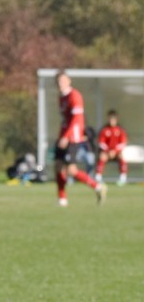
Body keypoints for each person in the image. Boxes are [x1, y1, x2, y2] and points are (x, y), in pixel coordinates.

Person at [54, 71, 106, 207]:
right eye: (58, 81)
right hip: (64, 136)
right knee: (58, 166)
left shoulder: (75, 96)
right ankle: (62, 198)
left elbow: (77, 119)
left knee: (71, 170)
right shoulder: (61, 97)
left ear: (69, 81)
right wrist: (61, 135)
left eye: (63, 81)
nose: (60, 84)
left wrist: (66, 137)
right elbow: (65, 120)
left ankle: (97, 186)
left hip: (73, 138)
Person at [96, 110, 128, 186]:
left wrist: (115, 151)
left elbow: (123, 143)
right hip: (107, 152)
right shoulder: (104, 129)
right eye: (110, 119)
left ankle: (123, 178)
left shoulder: (120, 130)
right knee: (102, 156)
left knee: (122, 156)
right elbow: (101, 143)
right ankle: (98, 178)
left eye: (113, 119)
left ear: (116, 120)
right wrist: (108, 151)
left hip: (116, 152)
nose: (111, 121)